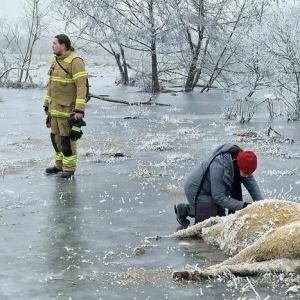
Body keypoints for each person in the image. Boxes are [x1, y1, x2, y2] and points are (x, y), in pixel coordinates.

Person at [174, 143, 263, 227]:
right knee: (214, 224)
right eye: (245, 173)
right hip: (198, 191)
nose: (247, 176)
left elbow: (252, 185)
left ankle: (191, 208)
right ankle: (186, 209)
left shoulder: (240, 161)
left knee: (222, 218)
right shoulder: (219, 166)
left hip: (212, 191)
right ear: (238, 165)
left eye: (249, 174)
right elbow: (219, 197)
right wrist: (244, 206)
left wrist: (262, 204)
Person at [43, 34, 88, 179]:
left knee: (66, 140)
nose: (52, 46)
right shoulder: (55, 60)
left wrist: (80, 110)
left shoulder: (75, 61)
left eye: (54, 43)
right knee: (55, 139)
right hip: (54, 109)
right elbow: (52, 84)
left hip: (68, 111)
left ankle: (69, 168)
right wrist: (46, 104)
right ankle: (59, 165)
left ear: (63, 45)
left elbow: (82, 87)